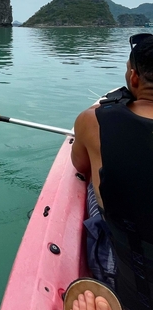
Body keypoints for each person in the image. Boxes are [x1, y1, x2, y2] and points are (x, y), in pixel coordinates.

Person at [71, 33, 153, 310]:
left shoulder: (93, 121)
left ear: (133, 79)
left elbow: (80, 167)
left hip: (126, 280)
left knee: (96, 178)